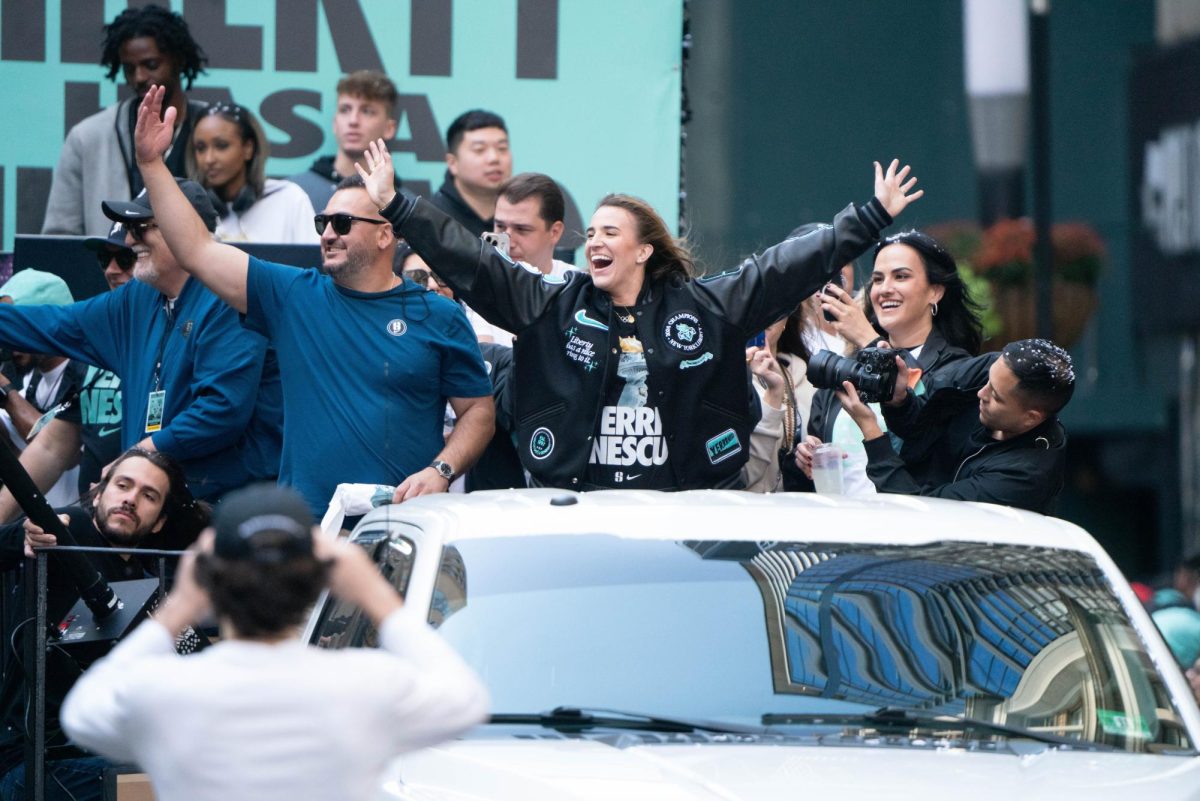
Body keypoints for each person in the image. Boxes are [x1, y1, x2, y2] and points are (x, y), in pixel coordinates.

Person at [360, 137, 921, 490]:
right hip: (576, 504)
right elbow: (472, 263)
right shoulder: (551, 302)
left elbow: (780, 268)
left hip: (680, 509)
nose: (594, 241)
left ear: (643, 250)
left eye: (610, 232)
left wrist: (868, 218)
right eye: (591, 233)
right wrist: (398, 206)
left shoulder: (704, 305)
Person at [134, 86, 494, 515]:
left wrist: (441, 470)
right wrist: (152, 164)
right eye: (323, 221)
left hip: (403, 528)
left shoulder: (437, 313)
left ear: (385, 234)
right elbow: (196, 249)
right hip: (309, 534)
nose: (327, 234)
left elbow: (477, 411)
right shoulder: (292, 295)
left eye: (342, 223)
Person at [61, 483, 489, 801]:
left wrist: (179, 605)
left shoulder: (166, 689)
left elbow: (81, 713)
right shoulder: (367, 683)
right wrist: (373, 590)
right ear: (319, 582)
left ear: (210, 579)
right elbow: (467, 701)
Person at [0, 183, 283, 502]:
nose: (130, 239)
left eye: (141, 228)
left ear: (184, 230)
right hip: (149, 501)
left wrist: (138, 457)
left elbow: (221, 411)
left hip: (226, 508)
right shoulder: (136, 299)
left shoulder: (229, 294)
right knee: (35, 538)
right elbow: (51, 324)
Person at [0, 448, 206, 801]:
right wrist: (22, 536)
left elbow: (198, 657)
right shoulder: (68, 530)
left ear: (159, 521)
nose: (130, 499)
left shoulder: (152, 585)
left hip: (103, 757)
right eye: (123, 485)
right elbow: (38, 531)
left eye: (148, 495)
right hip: (35, 763)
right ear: (99, 493)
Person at [798, 229, 984, 495]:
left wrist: (867, 338)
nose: (885, 289)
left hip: (910, 526)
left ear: (935, 291)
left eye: (901, 276)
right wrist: (809, 455)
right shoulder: (844, 368)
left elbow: (926, 427)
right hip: (841, 529)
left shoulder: (957, 368)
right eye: (877, 279)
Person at [837, 338, 1074, 514]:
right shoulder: (996, 371)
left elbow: (917, 512)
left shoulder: (1024, 477)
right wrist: (899, 400)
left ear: (1031, 418)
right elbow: (920, 422)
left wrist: (871, 430)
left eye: (996, 396)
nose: (981, 392)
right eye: (988, 380)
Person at [0, 230, 132, 524]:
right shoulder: (96, 349)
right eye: (104, 259)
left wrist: (6, 393)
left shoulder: (82, 357)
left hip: (144, 517)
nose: (111, 270)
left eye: (125, 258)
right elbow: (52, 446)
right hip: (86, 523)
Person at [42, 4, 208, 236]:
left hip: (200, 270)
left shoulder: (219, 131)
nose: (139, 77)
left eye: (151, 65)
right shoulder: (88, 136)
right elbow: (59, 237)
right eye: (129, 69)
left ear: (178, 59)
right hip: (111, 271)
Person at [0, 271, 86, 508]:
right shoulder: (27, 376)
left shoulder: (87, 374)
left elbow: (61, 448)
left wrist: (6, 394)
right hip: (32, 522)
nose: (9, 337)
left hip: (77, 522)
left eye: (17, 326)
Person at [470, 172, 580, 346]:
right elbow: (485, 361)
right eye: (500, 226)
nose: (508, 240)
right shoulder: (478, 285)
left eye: (522, 229)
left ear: (555, 232)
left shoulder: (579, 290)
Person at [187, 103, 318, 244]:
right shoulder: (188, 209)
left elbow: (314, 261)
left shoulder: (290, 199)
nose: (209, 159)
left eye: (221, 146)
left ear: (248, 148)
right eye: (200, 148)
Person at [289, 70, 399, 213]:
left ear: (389, 128)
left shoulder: (404, 208)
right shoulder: (293, 192)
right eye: (345, 110)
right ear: (335, 123)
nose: (353, 121)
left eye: (367, 111)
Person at [743, 303, 816, 493]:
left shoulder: (810, 379)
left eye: (774, 298)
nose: (763, 310)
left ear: (787, 318)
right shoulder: (717, 377)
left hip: (804, 511)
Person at [429, 110, 512, 237]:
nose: (494, 158)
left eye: (502, 148)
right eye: (479, 150)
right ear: (452, 163)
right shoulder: (432, 218)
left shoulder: (521, 215)